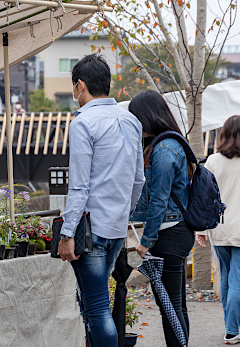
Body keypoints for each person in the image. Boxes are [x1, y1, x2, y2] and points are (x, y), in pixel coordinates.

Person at [58, 53, 145, 347]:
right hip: (117, 227)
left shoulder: (83, 123)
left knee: (95, 306)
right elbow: (138, 180)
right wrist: (124, 213)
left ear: (79, 85)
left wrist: (67, 233)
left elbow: (79, 186)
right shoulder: (131, 121)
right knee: (95, 305)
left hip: (90, 229)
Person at [129, 90, 193, 347]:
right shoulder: (170, 143)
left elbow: (158, 199)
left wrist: (147, 240)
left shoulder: (164, 150)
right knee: (176, 305)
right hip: (176, 232)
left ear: (146, 117)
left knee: (169, 306)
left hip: (169, 234)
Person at [196, 115, 240, 345]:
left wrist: (201, 229)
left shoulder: (212, 161)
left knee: (227, 278)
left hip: (219, 228)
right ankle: (232, 330)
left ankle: (231, 327)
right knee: (238, 280)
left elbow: (204, 199)